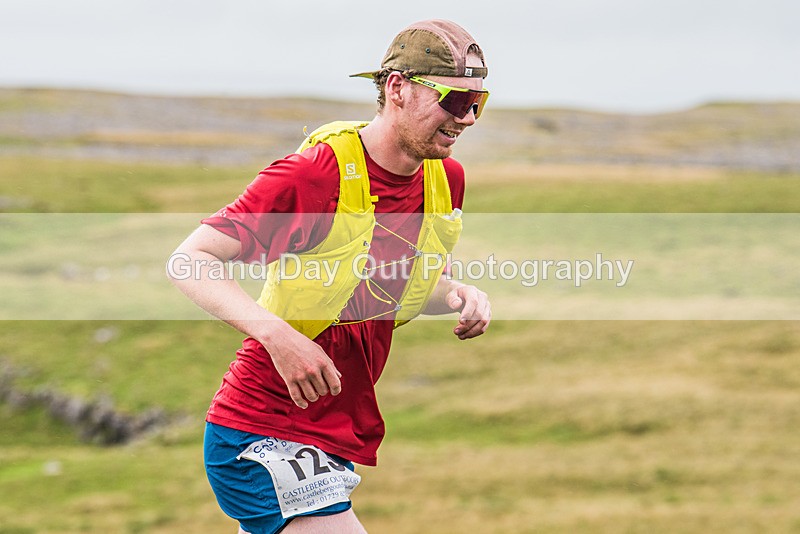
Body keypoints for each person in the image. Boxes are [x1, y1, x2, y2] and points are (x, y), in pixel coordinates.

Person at [168, 19, 491, 534]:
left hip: (334, 432)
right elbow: (190, 260)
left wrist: (458, 294)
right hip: (261, 429)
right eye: (455, 101)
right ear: (398, 89)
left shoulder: (445, 178)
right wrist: (279, 337)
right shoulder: (315, 175)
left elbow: (394, 287)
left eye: (479, 102)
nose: (468, 118)